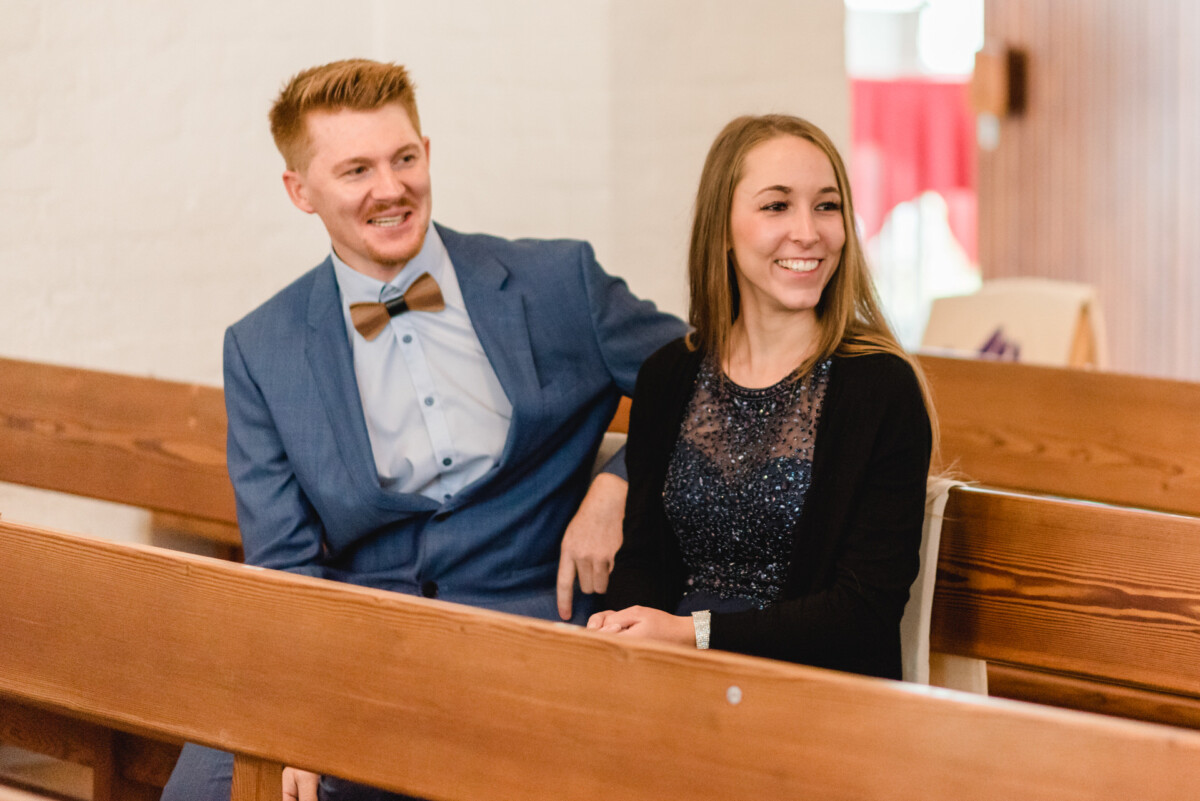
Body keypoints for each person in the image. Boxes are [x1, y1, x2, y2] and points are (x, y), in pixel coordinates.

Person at [162, 59, 684, 801]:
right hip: (358, 647)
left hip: (536, 630)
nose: (391, 188)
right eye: (356, 170)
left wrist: (619, 483)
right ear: (299, 191)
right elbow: (283, 562)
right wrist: (295, 716)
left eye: (404, 158)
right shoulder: (262, 347)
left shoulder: (557, 281)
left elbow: (706, 381)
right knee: (209, 790)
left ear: (427, 154)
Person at [588, 114, 934, 680]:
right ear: (722, 229)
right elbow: (644, 562)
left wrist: (692, 633)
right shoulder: (669, 375)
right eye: (777, 206)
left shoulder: (879, 386)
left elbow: (863, 613)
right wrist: (625, 628)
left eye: (827, 206)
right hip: (676, 676)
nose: (808, 232)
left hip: (817, 692)